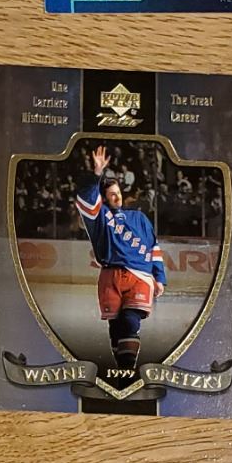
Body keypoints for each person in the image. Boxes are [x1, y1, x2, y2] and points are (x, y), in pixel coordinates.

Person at [75, 144, 166, 373]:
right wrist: (97, 173)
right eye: (112, 194)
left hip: (139, 275)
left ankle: (127, 370)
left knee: (129, 320)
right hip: (110, 276)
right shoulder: (100, 218)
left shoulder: (139, 218)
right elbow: (86, 199)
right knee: (115, 326)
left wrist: (159, 277)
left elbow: (154, 248)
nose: (118, 197)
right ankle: (121, 369)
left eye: (119, 193)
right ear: (104, 199)